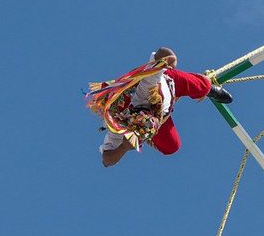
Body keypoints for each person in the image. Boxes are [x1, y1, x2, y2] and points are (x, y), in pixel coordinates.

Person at [87, 47, 234, 168]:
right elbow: (107, 160)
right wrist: (123, 147)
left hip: (171, 82)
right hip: (160, 116)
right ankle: (148, 132)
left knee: (202, 86)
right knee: (171, 146)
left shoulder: (144, 89)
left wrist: (170, 58)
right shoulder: (119, 126)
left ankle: (209, 89)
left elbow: (161, 52)